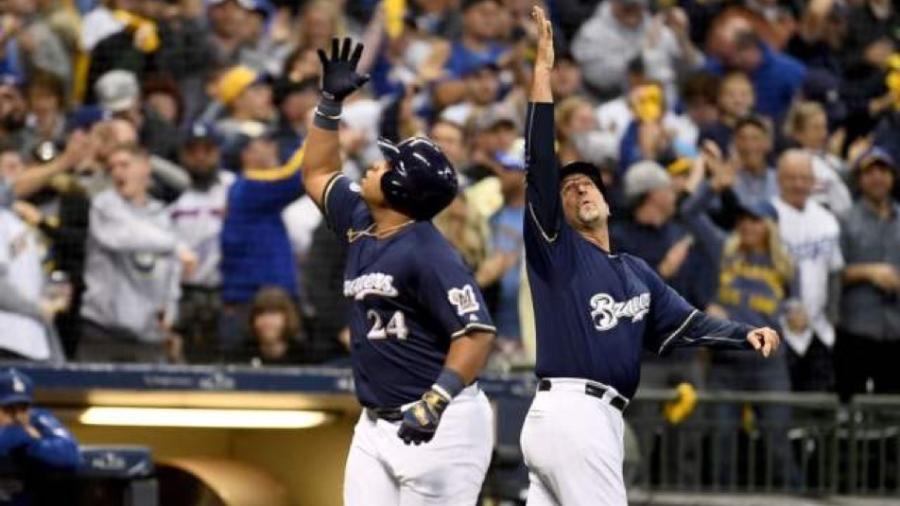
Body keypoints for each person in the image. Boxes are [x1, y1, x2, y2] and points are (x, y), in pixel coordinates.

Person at [518, 9, 780, 505]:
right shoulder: (555, 248)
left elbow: (688, 323)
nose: (579, 191)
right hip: (574, 413)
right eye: (569, 190)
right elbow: (538, 165)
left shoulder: (635, 272)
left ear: (609, 200)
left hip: (592, 421)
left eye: (587, 184)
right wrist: (543, 75)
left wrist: (746, 333)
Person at [302, 38, 495, 504]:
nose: (374, 162)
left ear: (401, 186)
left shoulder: (429, 252)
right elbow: (315, 172)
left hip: (442, 421)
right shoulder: (361, 221)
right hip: (375, 422)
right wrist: (329, 105)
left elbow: (476, 333)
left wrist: (436, 400)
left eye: (387, 162)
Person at [79, 143, 194, 363]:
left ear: (146, 168)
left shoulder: (161, 215)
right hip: (103, 334)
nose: (117, 172)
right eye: (112, 168)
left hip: (148, 337)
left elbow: (170, 273)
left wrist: (170, 312)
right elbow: (128, 236)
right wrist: (177, 247)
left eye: (125, 164)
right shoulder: (105, 205)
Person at [772, 149, 843, 391]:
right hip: (777, 330)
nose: (799, 184)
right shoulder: (766, 217)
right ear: (779, 179)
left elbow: (835, 273)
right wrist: (785, 308)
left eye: (804, 178)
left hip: (819, 330)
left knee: (819, 410)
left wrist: (832, 318)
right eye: (791, 177)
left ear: (814, 182)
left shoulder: (827, 220)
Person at [836, 148, 900, 401]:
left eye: (883, 172)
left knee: (893, 410)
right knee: (852, 408)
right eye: (869, 172)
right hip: (855, 328)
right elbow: (832, 273)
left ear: (893, 177)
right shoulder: (844, 220)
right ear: (859, 179)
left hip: (896, 330)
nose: (877, 178)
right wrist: (867, 272)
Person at [169, 123, 234, 362]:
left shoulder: (232, 186)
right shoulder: (171, 192)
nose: (200, 157)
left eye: (207, 150)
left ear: (218, 152)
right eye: (193, 151)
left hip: (224, 290)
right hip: (182, 291)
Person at [0, 369, 80, 505]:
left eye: (23, 408)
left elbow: (70, 454)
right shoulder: (25, 430)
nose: (18, 416)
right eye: (9, 409)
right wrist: (18, 435)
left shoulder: (37, 419)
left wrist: (34, 445)